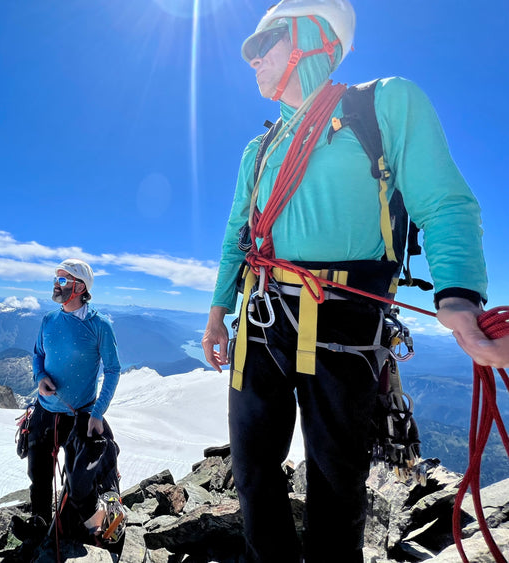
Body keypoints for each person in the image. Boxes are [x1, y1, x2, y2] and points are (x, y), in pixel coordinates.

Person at [201, 1, 494, 561]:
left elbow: (446, 202)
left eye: (266, 44)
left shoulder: (383, 104)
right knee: (253, 472)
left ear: (313, 38)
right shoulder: (257, 150)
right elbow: (237, 234)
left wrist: (457, 295)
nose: (253, 60)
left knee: (336, 483)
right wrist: (218, 310)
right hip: (261, 319)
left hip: (344, 322)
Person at [15, 258, 122, 543]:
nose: (56, 284)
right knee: (38, 475)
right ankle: (40, 523)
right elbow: (38, 354)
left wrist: (98, 413)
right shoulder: (48, 320)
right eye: (56, 278)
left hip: (81, 416)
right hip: (44, 411)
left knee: (81, 483)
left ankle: (98, 527)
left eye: (63, 280)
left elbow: (112, 370)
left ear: (80, 286)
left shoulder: (100, 325)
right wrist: (40, 378)